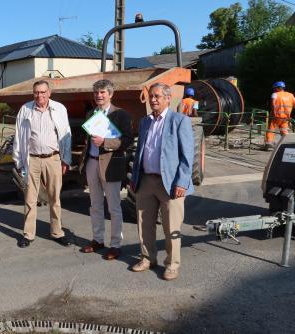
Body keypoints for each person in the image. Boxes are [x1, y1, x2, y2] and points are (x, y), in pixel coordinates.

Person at [130, 82, 193, 281]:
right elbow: (140, 151)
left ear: (168, 98)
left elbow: (187, 156)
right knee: (144, 224)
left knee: (171, 227)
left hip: (171, 183)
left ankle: (172, 264)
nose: (153, 100)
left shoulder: (179, 121)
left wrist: (182, 182)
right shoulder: (145, 122)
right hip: (146, 181)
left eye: (157, 96)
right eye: (151, 96)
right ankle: (148, 258)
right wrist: (134, 177)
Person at [13, 80, 72, 248]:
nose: (40, 95)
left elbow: (67, 135)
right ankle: (28, 234)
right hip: (32, 159)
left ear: (49, 93)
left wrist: (66, 159)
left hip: (53, 159)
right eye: (36, 92)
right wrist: (18, 160)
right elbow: (19, 136)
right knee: (30, 199)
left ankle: (57, 232)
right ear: (33, 93)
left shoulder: (60, 109)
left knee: (55, 198)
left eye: (43, 92)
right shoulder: (25, 109)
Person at [78, 80, 132, 260]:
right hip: (92, 163)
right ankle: (98, 239)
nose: (99, 96)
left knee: (114, 207)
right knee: (95, 205)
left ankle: (116, 244)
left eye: (102, 92)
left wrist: (106, 142)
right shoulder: (90, 114)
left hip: (111, 164)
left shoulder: (121, 114)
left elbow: (127, 141)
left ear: (110, 94)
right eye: (96, 93)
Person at [264, 81, 294, 151]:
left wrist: (273, 114)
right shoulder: (291, 95)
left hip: (276, 116)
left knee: (271, 129)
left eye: (274, 88)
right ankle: (287, 144)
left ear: (278, 88)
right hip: (286, 117)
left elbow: (273, 105)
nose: (274, 90)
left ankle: (268, 144)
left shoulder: (275, 94)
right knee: (284, 130)